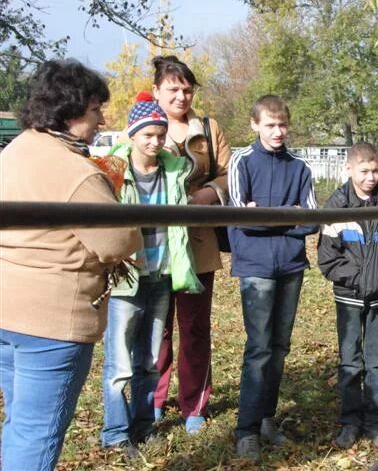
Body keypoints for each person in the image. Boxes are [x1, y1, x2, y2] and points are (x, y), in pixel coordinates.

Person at [0, 59, 142, 470]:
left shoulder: (15, 150)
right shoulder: (76, 173)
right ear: (73, 108)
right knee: (38, 435)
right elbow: (118, 241)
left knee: (21, 425)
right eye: (97, 108)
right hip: (51, 323)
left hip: (7, 312)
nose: (102, 118)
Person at [100, 100, 204, 455]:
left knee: (150, 358)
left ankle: (144, 425)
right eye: (148, 135)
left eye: (160, 135)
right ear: (132, 136)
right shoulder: (114, 172)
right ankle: (115, 433)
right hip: (127, 278)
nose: (155, 142)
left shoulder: (173, 170)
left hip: (161, 274)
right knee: (119, 363)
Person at [227, 95, 318, 460]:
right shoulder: (241, 162)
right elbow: (241, 217)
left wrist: (267, 216)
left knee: (279, 347)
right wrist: (288, 215)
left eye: (282, 125)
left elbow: (312, 220)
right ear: (255, 125)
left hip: (291, 267)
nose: (277, 132)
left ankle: (267, 417)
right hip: (256, 268)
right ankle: (245, 429)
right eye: (270, 125)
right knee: (259, 348)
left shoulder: (300, 167)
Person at [149, 55, 231, 434]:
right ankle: (153, 398)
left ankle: (194, 404)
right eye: (173, 89)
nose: (181, 96)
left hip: (197, 242)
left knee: (195, 327)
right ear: (157, 92)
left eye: (187, 89)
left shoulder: (209, 129)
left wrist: (209, 194)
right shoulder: (144, 127)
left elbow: (230, 174)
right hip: (155, 243)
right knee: (155, 327)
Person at [317, 142, 378, 451]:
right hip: (349, 298)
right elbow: (328, 260)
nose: (371, 177)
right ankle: (350, 421)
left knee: (375, 359)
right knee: (350, 361)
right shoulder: (336, 207)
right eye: (365, 171)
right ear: (350, 169)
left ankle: (374, 421)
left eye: (376, 171)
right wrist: (360, 278)